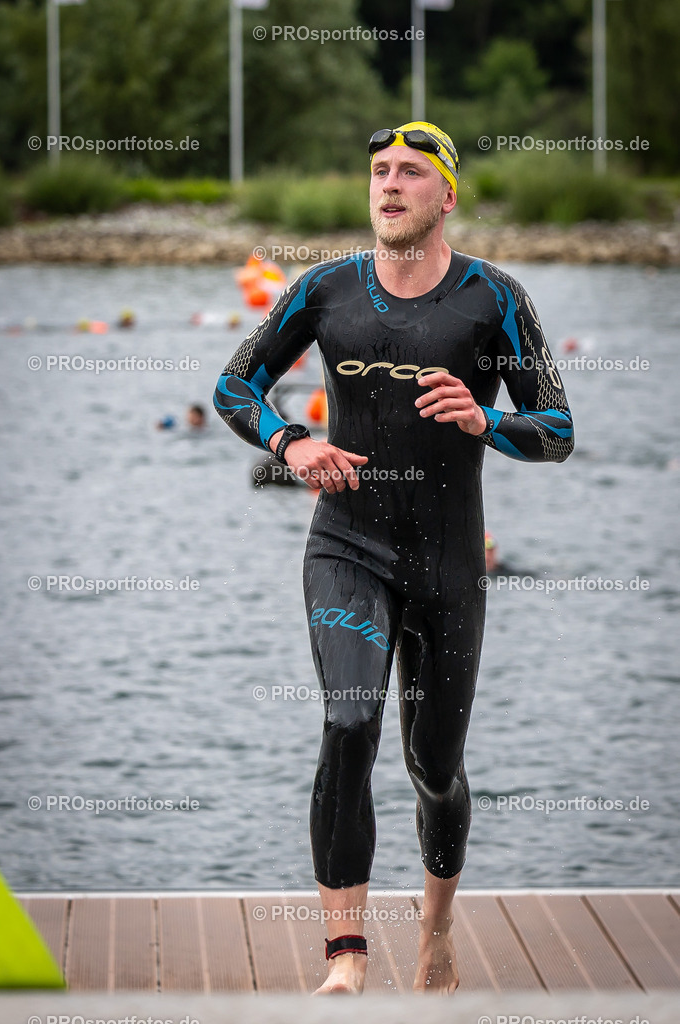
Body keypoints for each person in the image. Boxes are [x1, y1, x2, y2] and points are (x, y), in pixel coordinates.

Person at [213, 121, 574, 995]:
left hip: (449, 563)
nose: (390, 185)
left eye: (412, 173)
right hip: (348, 544)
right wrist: (290, 444)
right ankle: (346, 958)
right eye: (379, 170)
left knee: (433, 768)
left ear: (447, 195)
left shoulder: (496, 298)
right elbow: (235, 385)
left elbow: (558, 430)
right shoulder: (326, 289)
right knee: (347, 722)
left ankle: (437, 928)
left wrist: (490, 421)